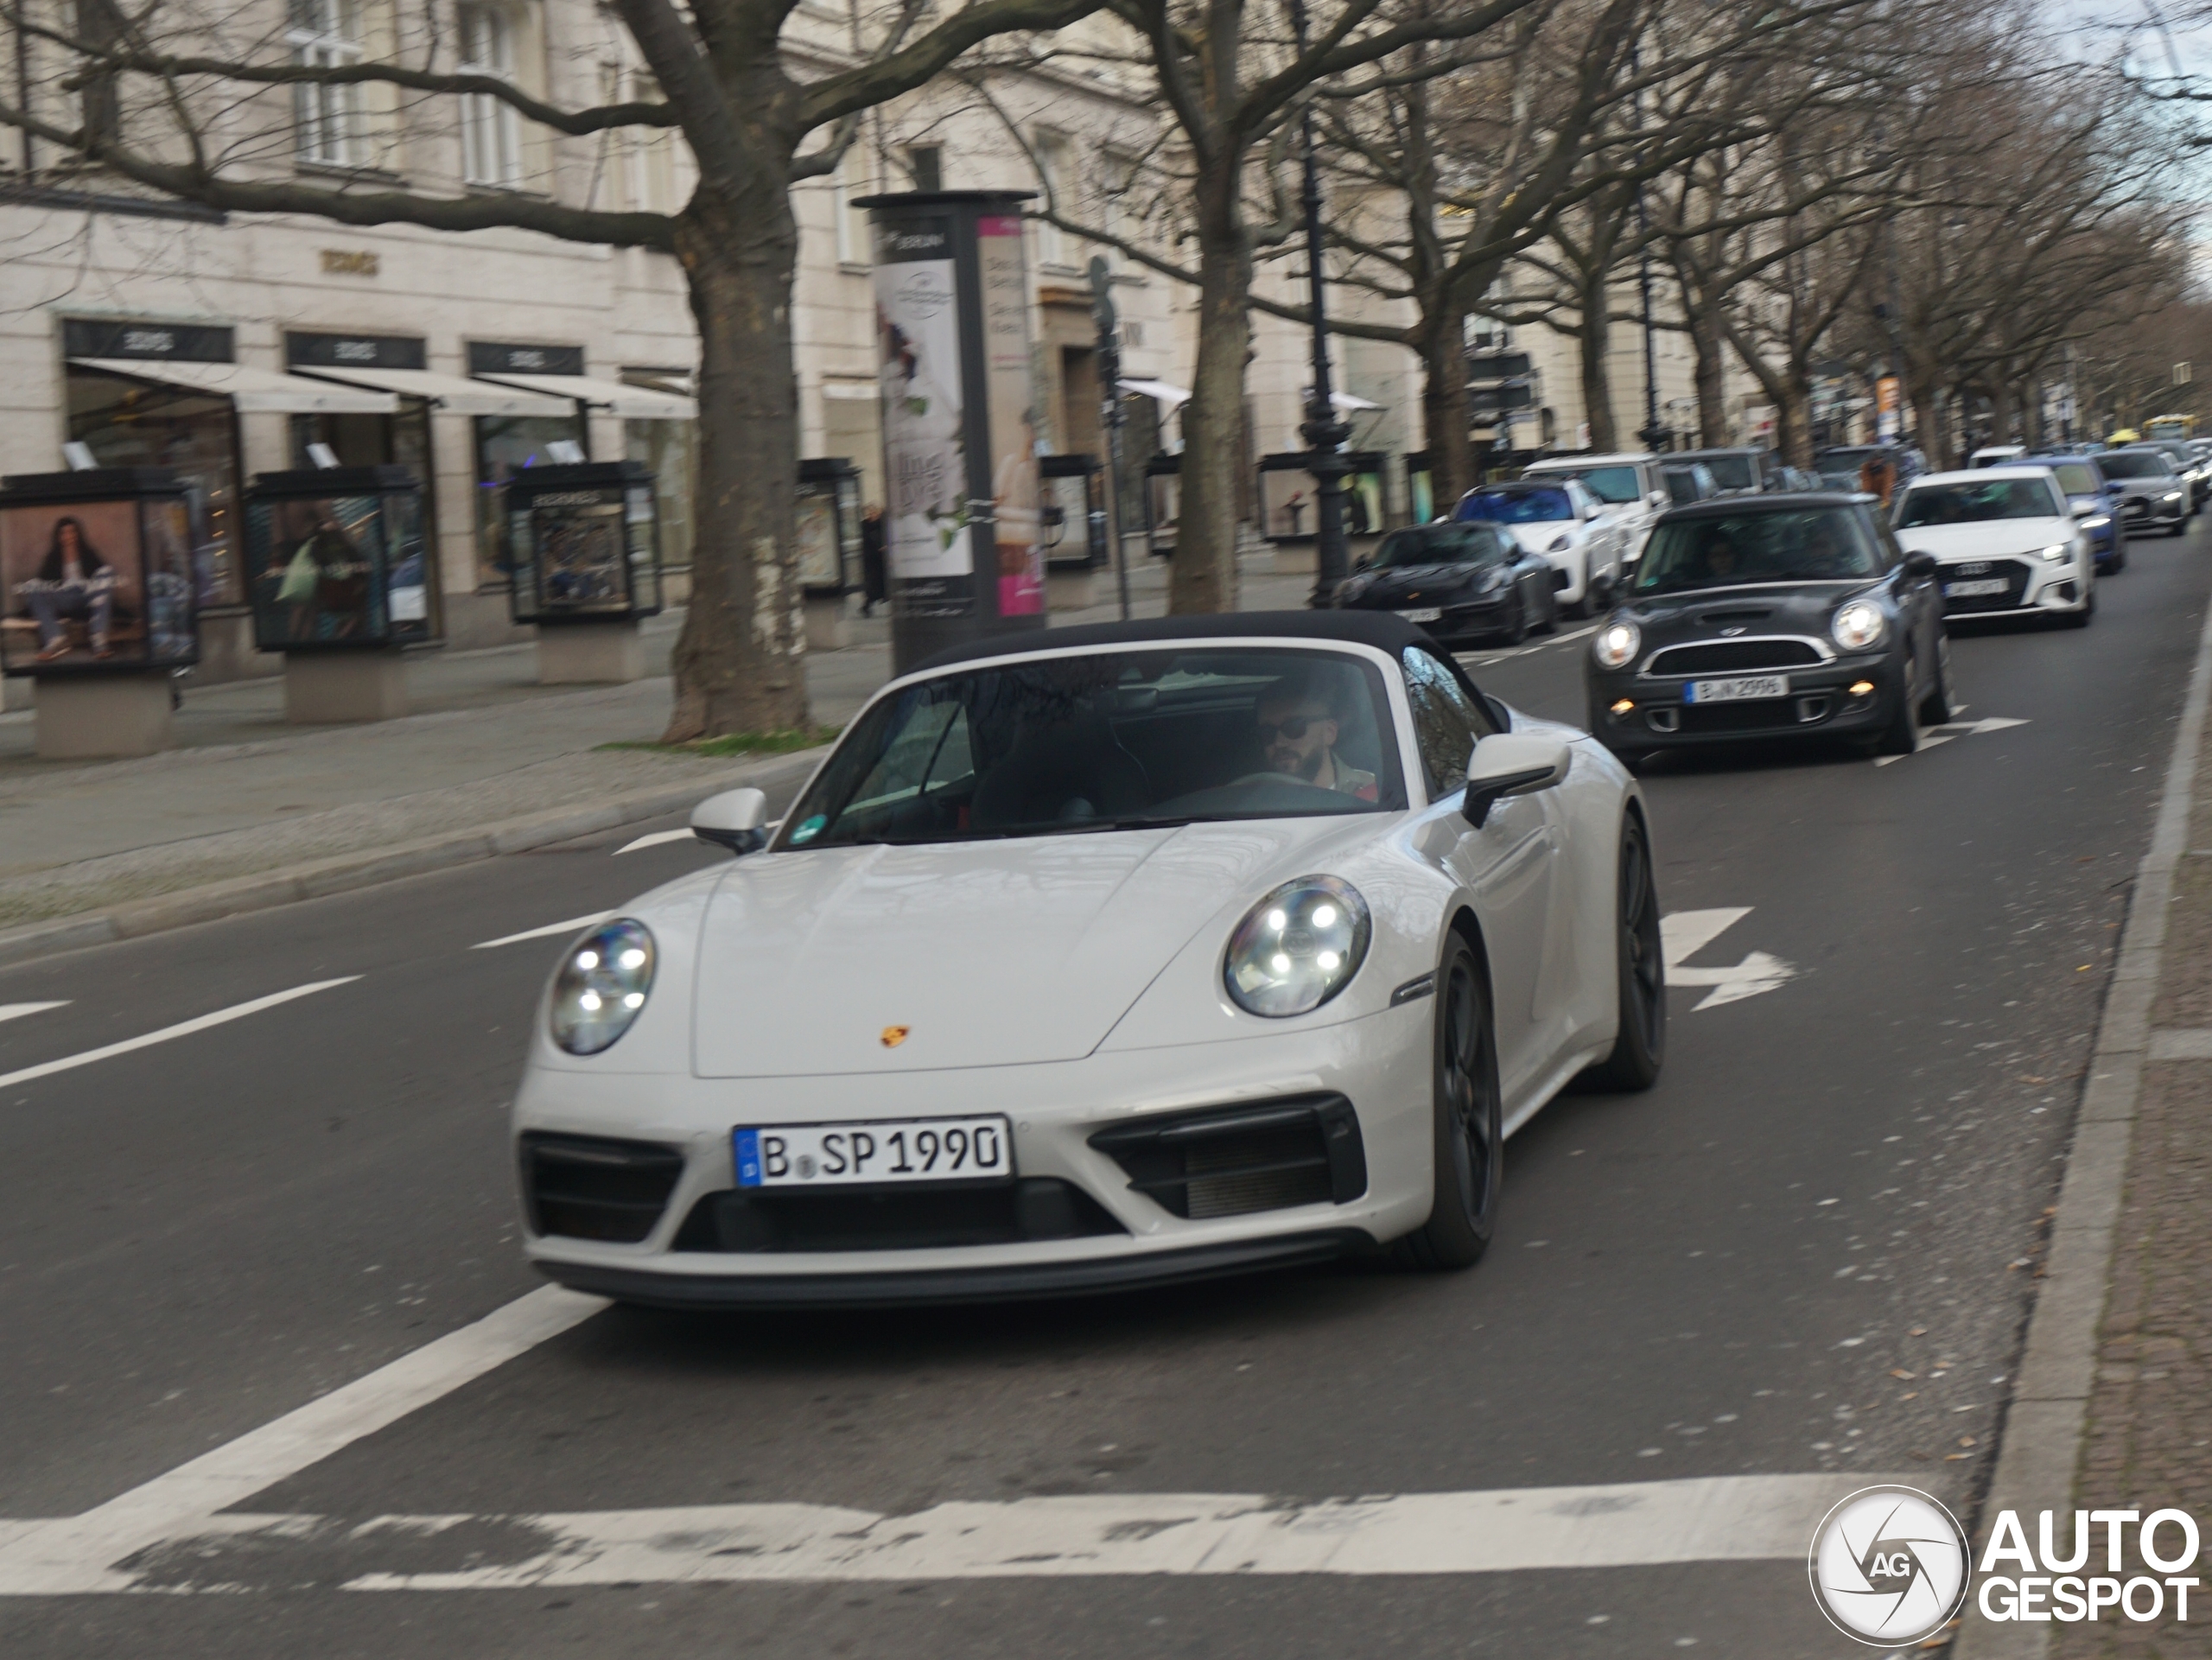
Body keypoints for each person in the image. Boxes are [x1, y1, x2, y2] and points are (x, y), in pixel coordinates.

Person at [1253, 673, 1378, 800]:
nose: (1278, 742)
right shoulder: (1249, 800)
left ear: (1329, 732)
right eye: (1268, 732)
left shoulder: (1374, 794)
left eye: (1293, 727)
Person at [24, 517, 117, 662]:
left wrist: (95, 585)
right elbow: (43, 581)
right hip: (64, 597)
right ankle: (54, 638)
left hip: (87, 596)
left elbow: (103, 574)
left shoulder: (87, 553)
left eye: (71, 532)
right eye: (64, 533)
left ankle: (98, 637)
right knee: (33, 586)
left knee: (106, 573)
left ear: (77, 533)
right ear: (59, 536)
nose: (68, 536)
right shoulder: (53, 557)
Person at [859, 503, 887, 617]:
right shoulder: (865, 525)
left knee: (883, 582)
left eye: (873, 512)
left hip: (882, 559)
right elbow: (868, 542)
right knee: (874, 584)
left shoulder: (883, 523)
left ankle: (871, 604)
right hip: (872, 559)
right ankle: (866, 606)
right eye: (869, 513)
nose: (871, 515)